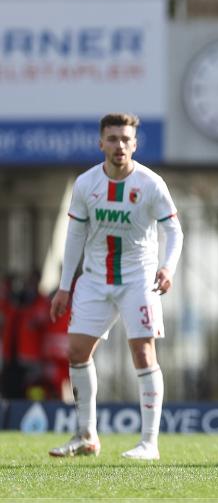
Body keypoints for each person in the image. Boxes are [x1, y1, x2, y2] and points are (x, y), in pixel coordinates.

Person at [48, 113, 183, 461]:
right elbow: (75, 234)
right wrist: (65, 286)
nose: (119, 145)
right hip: (94, 279)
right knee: (77, 353)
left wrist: (167, 267)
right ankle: (86, 436)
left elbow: (174, 231)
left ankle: (148, 443)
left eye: (126, 139)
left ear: (135, 144)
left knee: (142, 353)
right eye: (113, 139)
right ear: (101, 143)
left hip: (139, 279)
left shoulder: (151, 184)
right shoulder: (86, 184)